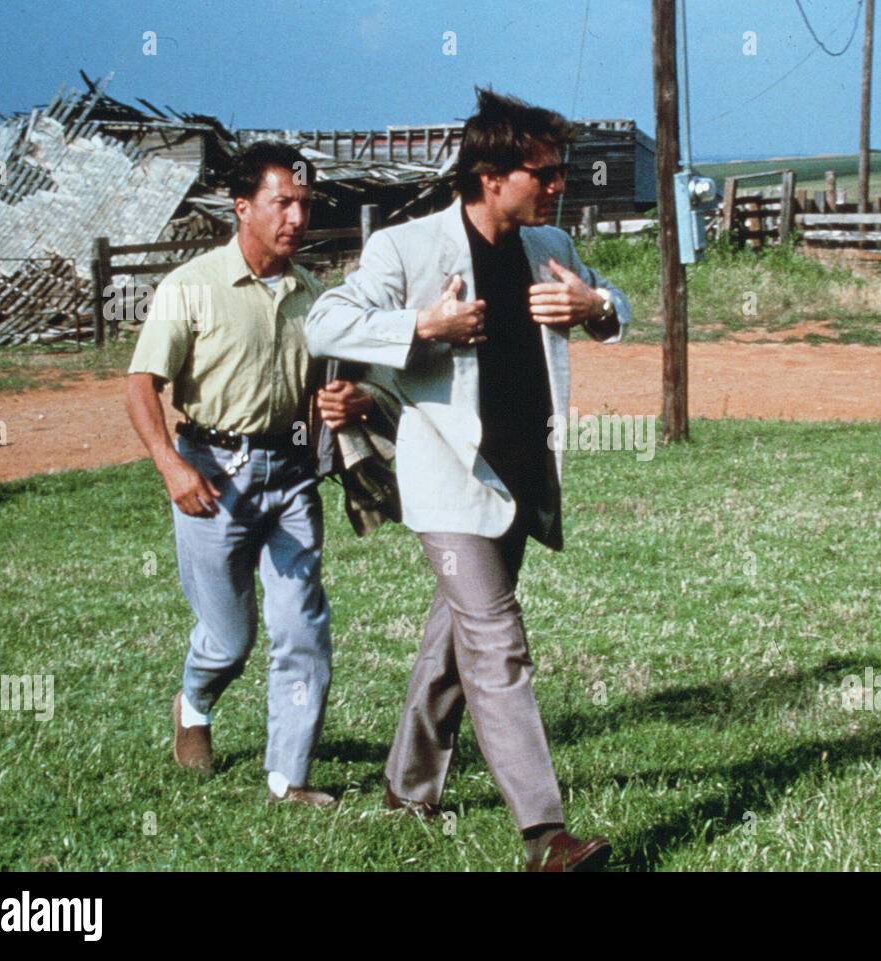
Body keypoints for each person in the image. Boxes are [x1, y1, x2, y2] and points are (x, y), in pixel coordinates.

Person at [304, 89, 631, 870]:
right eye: (543, 172)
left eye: (559, 172)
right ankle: (545, 836)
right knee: (497, 641)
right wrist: (423, 327)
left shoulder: (548, 240)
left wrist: (593, 303)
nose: (558, 186)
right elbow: (325, 321)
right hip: (446, 480)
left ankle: (407, 786)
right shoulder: (406, 248)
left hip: (520, 478)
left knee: (454, 643)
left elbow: (615, 308)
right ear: (490, 175)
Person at [125, 141, 375, 807]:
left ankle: (287, 776)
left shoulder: (315, 298)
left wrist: (345, 399)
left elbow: (345, 383)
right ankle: (195, 702)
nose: (297, 216)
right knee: (230, 639)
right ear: (243, 208)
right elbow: (141, 385)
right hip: (212, 476)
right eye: (282, 202)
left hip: (291, 478)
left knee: (302, 627)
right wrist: (171, 465)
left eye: (305, 203)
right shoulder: (191, 287)